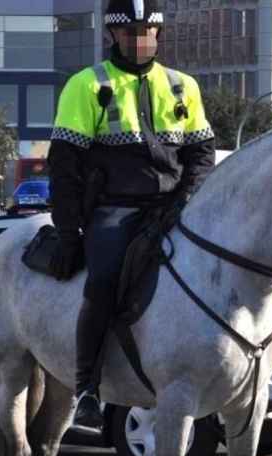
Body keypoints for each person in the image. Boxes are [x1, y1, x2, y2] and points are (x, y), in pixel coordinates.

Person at [47, 0, 215, 430]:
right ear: (113, 35)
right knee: (102, 282)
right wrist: (69, 233)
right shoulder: (86, 85)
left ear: (159, 34)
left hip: (173, 209)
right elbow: (64, 165)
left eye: (147, 32)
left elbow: (200, 153)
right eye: (129, 33)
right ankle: (86, 386)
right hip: (115, 210)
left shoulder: (183, 86)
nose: (140, 40)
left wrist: (187, 196)